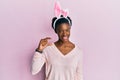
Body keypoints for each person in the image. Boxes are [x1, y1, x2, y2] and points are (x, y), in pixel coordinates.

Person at [31, 2, 83, 80]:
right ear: (56, 31)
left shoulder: (78, 52)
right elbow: (34, 70)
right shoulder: (48, 49)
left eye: (67, 30)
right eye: (61, 31)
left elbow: (79, 76)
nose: (65, 34)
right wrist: (39, 50)